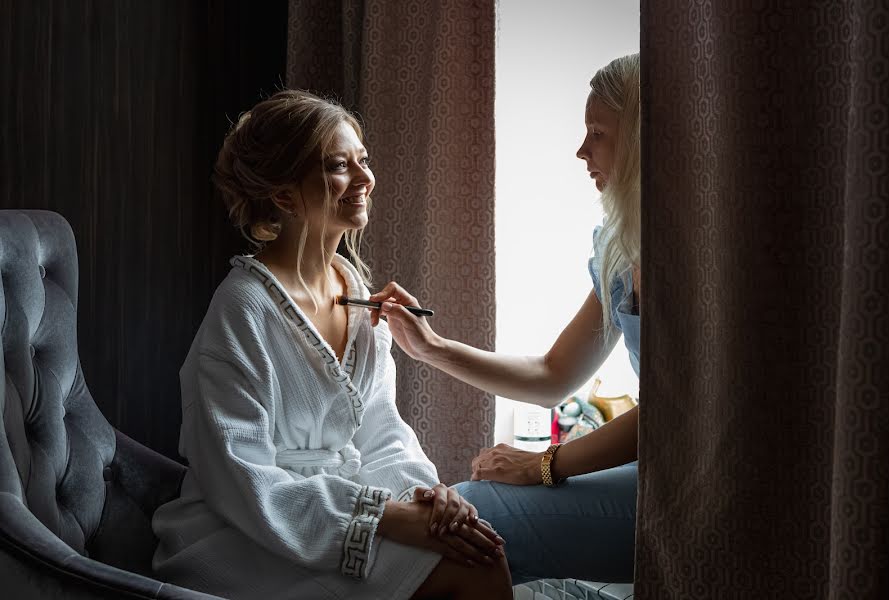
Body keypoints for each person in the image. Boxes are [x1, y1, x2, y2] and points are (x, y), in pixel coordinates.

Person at [151, 90, 512, 600]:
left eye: (364, 161)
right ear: (283, 194)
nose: (365, 179)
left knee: (481, 550)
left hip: (345, 505)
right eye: (340, 166)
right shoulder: (242, 309)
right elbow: (241, 474)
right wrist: (383, 517)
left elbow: (382, 431)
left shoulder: (359, 295)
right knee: (469, 569)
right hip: (248, 529)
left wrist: (425, 498)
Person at [366, 54, 641, 584]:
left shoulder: (700, 258)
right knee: (464, 513)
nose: (581, 151)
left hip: (697, 481)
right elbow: (553, 377)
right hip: (648, 470)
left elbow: (676, 417)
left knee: (468, 522)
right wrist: (432, 348)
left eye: (597, 133)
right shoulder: (617, 248)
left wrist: (544, 465)